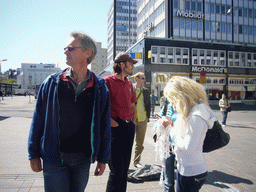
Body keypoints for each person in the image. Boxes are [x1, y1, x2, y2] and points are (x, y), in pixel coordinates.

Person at [28, 31, 111, 192]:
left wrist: (103, 158)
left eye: (71, 48)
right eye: (65, 48)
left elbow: (104, 124)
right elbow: (38, 119)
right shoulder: (51, 83)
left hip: (83, 160)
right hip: (54, 158)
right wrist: (33, 153)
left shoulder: (100, 87)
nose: (66, 51)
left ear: (88, 53)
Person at [162, 76, 215, 192]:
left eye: (174, 99)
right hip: (187, 169)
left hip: (192, 172)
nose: (172, 103)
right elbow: (187, 132)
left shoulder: (196, 116)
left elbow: (187, 148)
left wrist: (170, 129)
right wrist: (173, 124)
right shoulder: (194, 111)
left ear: (182, 96)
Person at [104, 52, 137, 192]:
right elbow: (99, 106)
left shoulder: (129, 82)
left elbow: (133, 103)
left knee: (124, 170)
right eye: (131, 63)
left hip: (129, 127)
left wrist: (134, 119)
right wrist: (110, 121)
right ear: (122, 64)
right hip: (115, 128)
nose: (132, 66)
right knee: (116, 170)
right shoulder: (107, 81)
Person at [155, 99, 177, 192]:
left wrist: (171, 124)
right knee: (168, 180)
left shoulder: (184, 108)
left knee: (182, 180)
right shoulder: (166, 108)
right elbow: (157, 122)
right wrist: (159, 124)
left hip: (180, 147)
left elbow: (186, 127)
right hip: (167, 146)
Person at [133, 72, 151, 168]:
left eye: (144, 78)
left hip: (143, 119)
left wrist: (147, 117)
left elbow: (148, 104)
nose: (144, 80)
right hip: (132, 119)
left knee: (140, 143)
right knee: (128, 142)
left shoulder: (146, 91)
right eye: (143, 78)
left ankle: (136, 161)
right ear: (137, 79)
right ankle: (125, 161)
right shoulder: (130, 88)